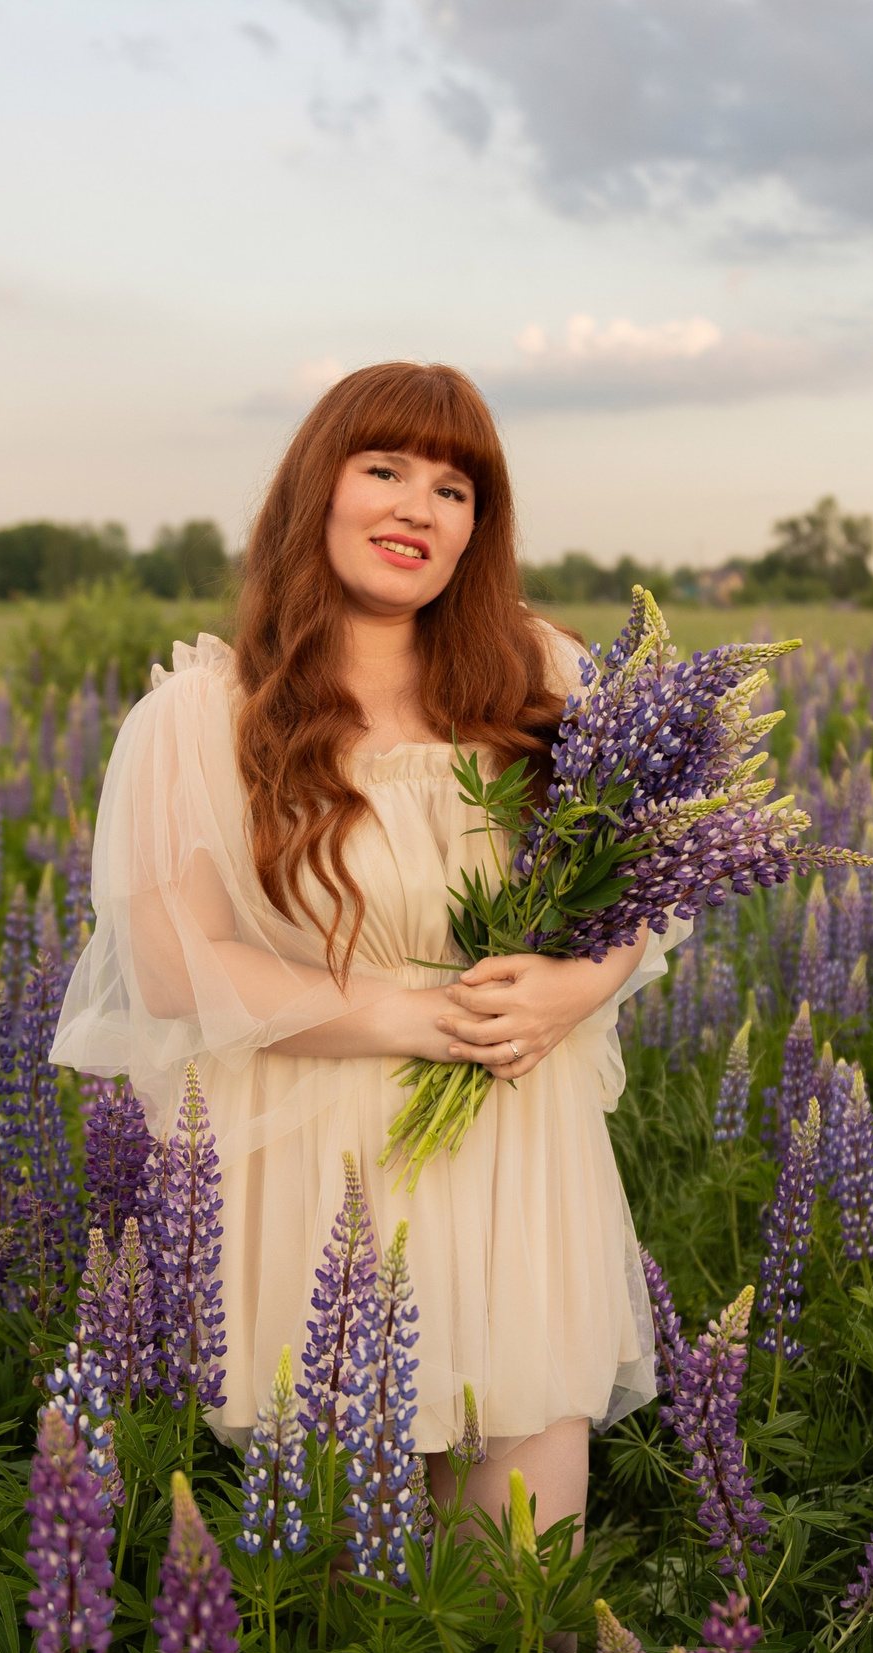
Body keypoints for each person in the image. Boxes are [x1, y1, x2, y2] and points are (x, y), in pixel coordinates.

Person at [48, 360, 681, 1563]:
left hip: (516, 1153)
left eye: (453, 488)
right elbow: (177, 964)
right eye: (383, 468)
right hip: (318, 1170)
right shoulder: (200, 715)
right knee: (361, 1606)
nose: (415, 508)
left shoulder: (547, 680)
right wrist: (418, 1015)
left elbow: (639, 888)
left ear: (478, 526)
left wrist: (576, 984)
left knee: (520, 1587)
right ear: (317, 488)